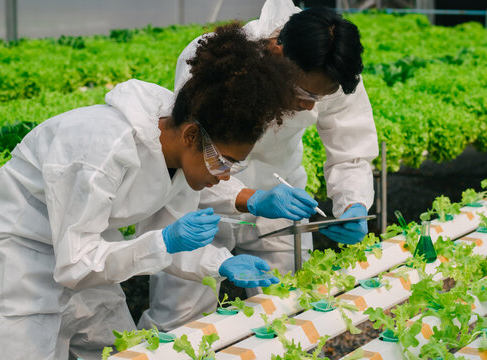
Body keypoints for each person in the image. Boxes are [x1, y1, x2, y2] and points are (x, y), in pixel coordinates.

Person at [0, 24, 299, 360]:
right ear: (190, 136)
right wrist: (165, 241)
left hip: (89, 246)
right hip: (23, 251)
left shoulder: (181, 160)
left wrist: (220, 263)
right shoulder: (103, 149)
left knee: (120, 349)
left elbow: (164, 240)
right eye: (223, 162)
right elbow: (77, 265)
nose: (225, 175)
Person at [138, 0, 378, 332]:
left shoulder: (333, 69)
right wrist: (246, 196)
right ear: (278, 53)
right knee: (181, 322)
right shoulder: (214, 60)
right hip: (200, 204)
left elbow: (350, 147)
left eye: (318, 98)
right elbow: (193, 152)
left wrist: (353, 202)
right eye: (303, 92)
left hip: (280, 207)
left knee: (290, 313)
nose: (309, 104)